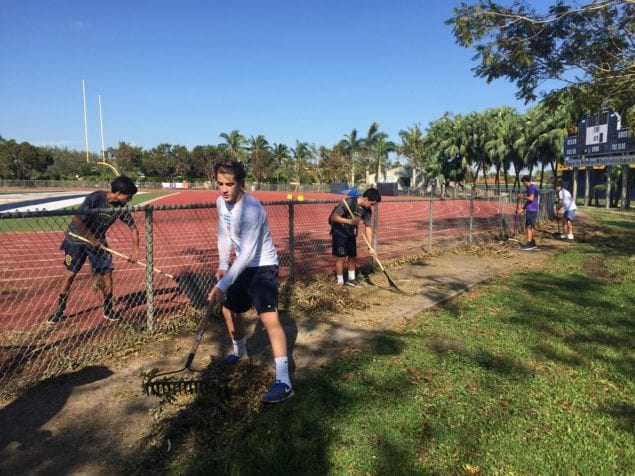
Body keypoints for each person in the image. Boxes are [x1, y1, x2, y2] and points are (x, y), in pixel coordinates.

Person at [207, 160, 293, 404]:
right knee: (229, 310)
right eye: (220, 184)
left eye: (230, 184)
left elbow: (246, 254)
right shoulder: (220, 203)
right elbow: (223, 235)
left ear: (241, 183)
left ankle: (284, 381)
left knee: (269, 319)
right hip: (242, 266)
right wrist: (223, 265)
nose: (224, 189)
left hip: (263, 266)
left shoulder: (252, 209)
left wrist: (221, 286)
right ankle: (240, 353)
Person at [48, 175, 139, 324]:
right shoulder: (95, 198)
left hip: (98, 241)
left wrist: (135, 251)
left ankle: (108, 309)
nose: (129, 200)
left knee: (107, 274)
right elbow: (76, 218)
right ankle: (60, 309)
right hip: (76, 239)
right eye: (128, 196)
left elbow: (133, 228)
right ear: (119, 193)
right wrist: (91, 239)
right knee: (70, 274)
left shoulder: (120, 207)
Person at [329, 188, 382, 286]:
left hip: (350, 233)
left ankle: (351, 279)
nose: (373, 206)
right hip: (339, 233)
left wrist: (370, 247)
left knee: (352, 257)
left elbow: (368, 228)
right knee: (341, 257)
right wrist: (349, 221)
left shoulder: (367, 211)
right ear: (366, 199)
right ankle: (340, 282)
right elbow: (334, 217)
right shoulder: (349, 202)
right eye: (372, 203)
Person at [518, 175, 539, 250]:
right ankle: (532, 242)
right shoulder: (530, 188)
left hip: (532, 210)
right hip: (532, 209)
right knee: (531, 226)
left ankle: (530, 243)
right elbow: (529, 200)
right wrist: (523, 209)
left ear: (526, 181)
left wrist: (522, 196)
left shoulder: (531, 188)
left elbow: (531, 198)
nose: (523, 185)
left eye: (523, 183)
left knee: (528, 226)